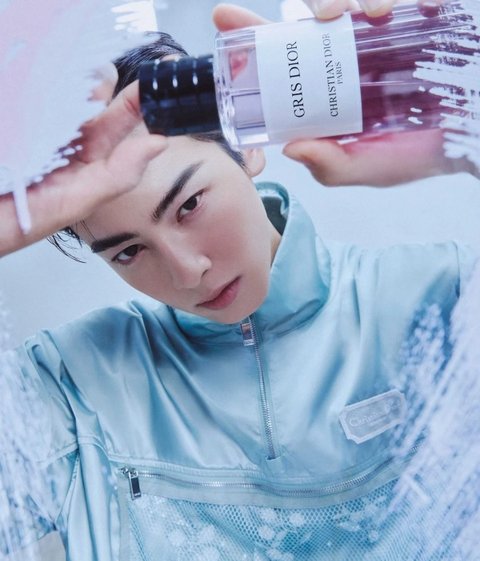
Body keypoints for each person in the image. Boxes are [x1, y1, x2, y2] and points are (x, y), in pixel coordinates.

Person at [2, 2, 477, 560]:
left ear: (246, 145)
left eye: (189, 205)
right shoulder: (73, 388)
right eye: (128, 251)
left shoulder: (446, 300)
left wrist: (468, 131)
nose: (187, 271)